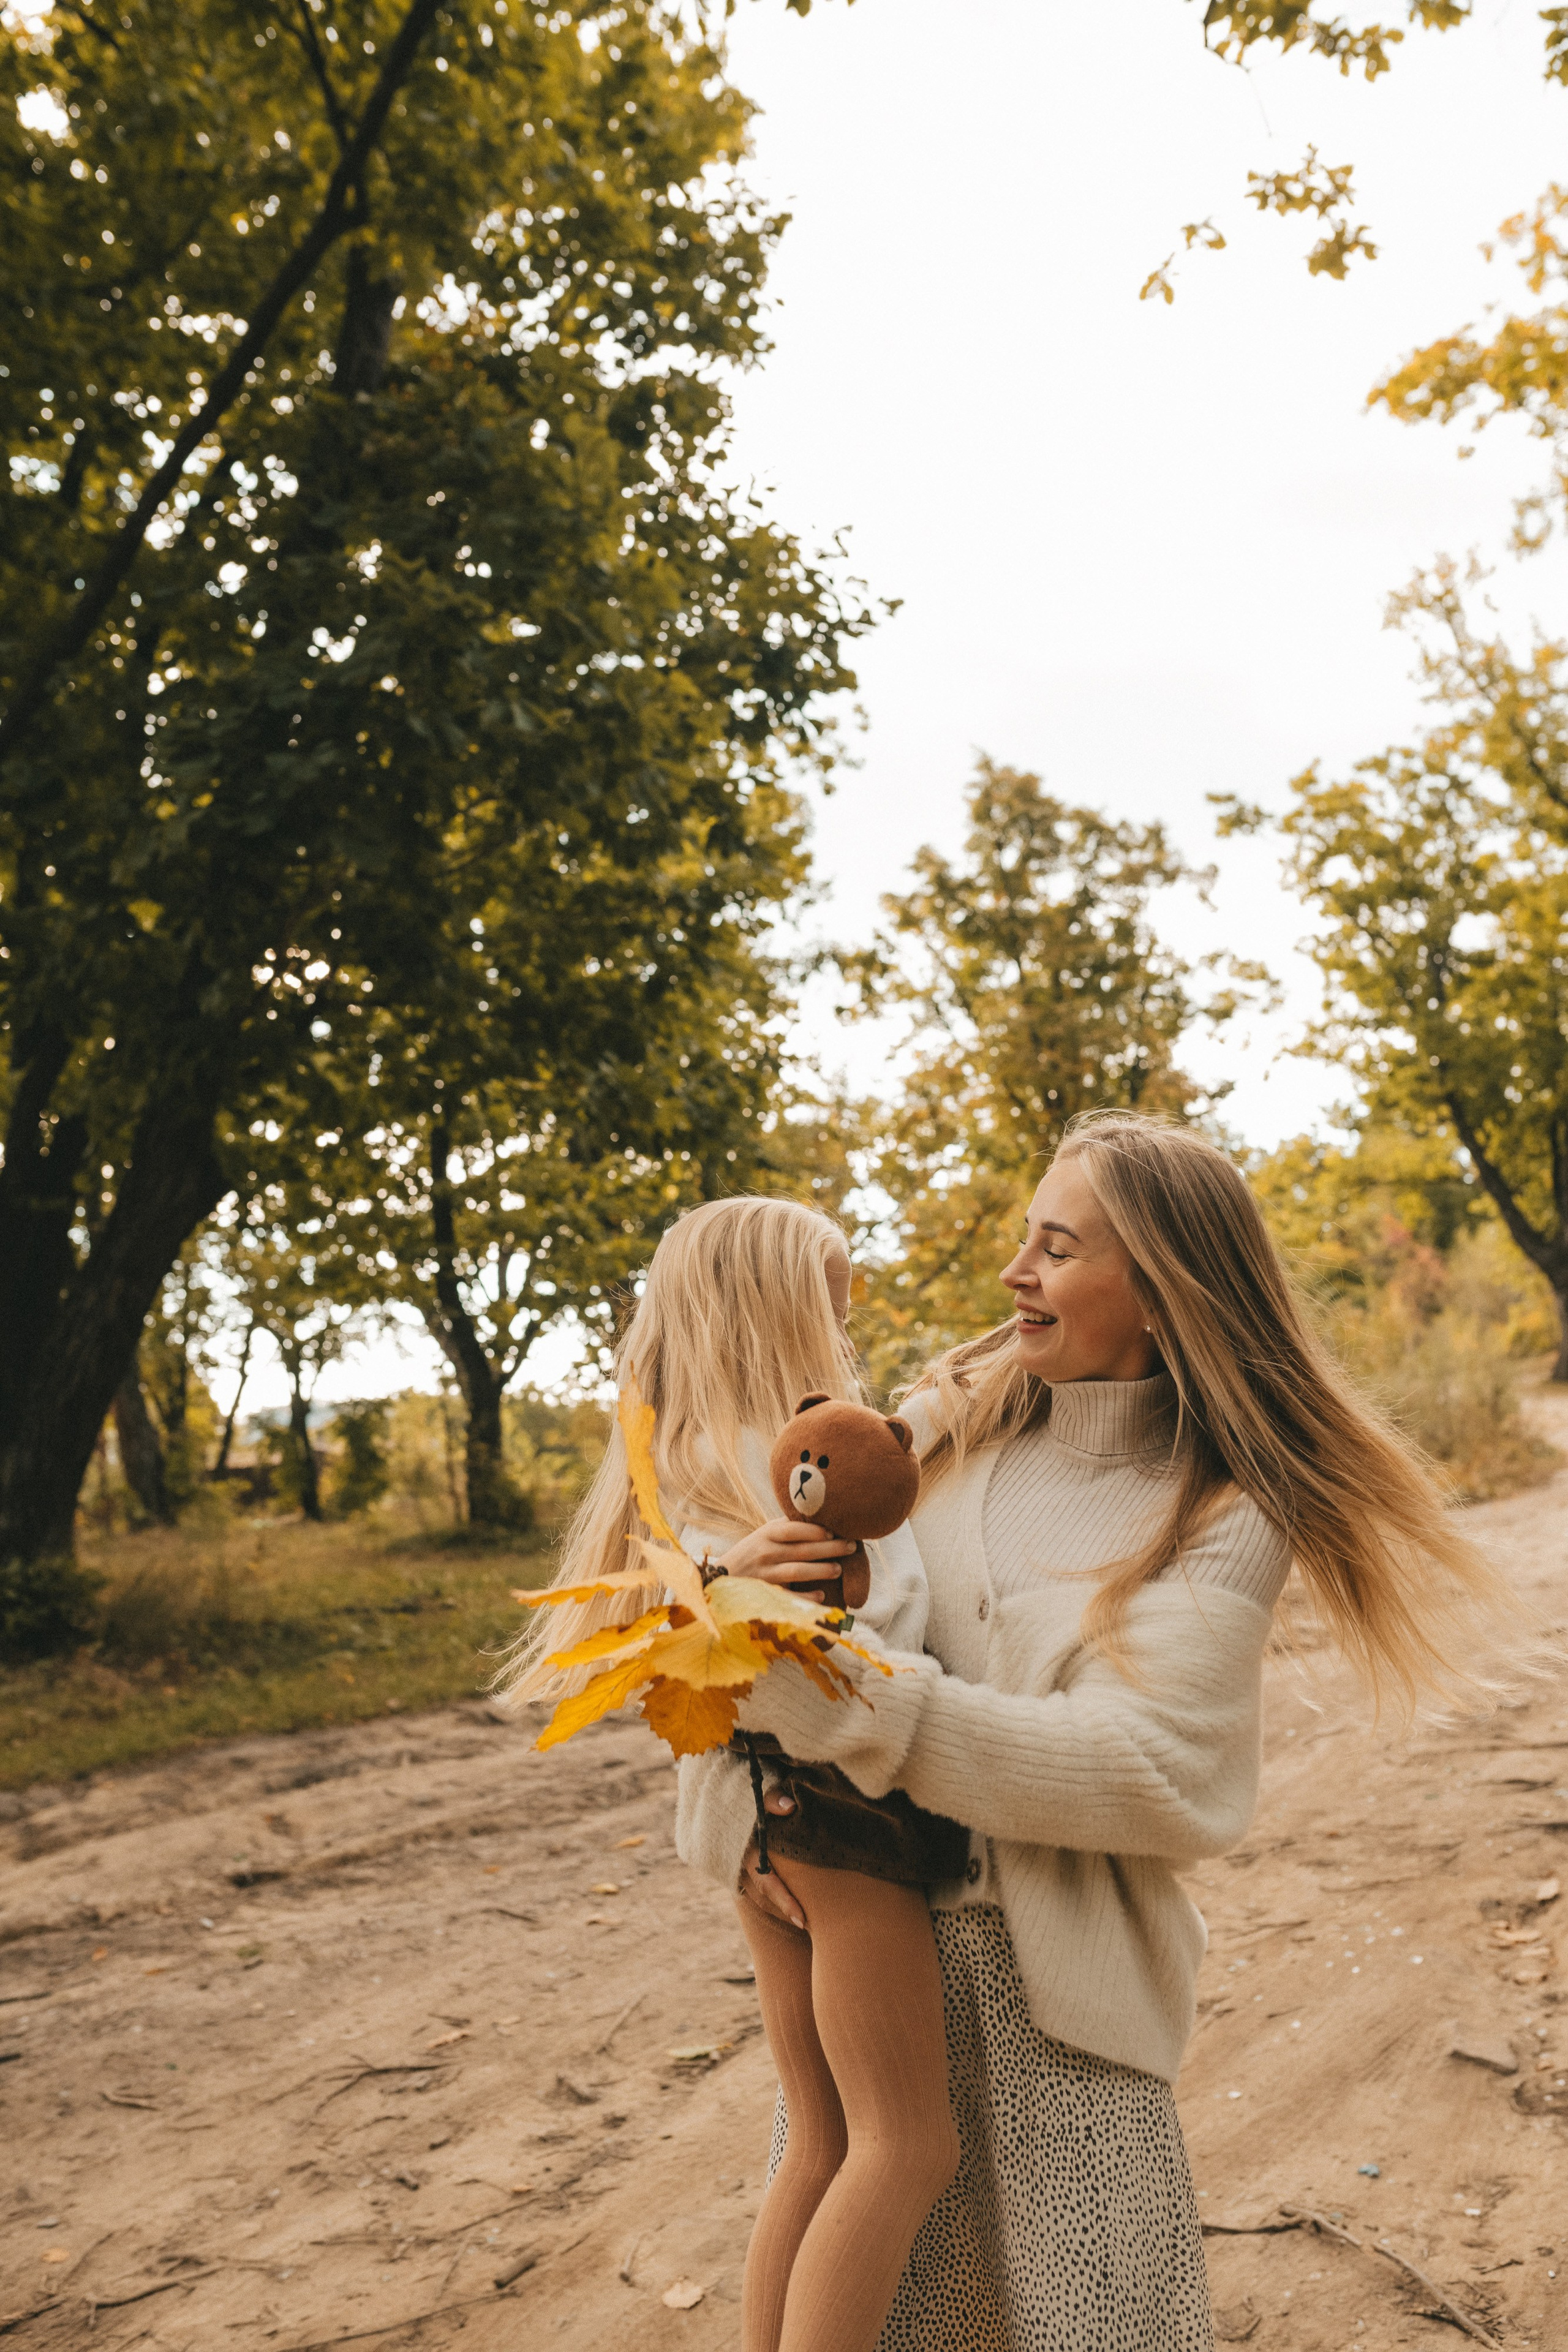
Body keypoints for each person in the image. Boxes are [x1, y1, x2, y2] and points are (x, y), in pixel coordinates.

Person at [677, 1109, 1515, 2351]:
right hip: (882, 1982)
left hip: (1058, 2035)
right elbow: (752, 1650)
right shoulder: (937, 1439)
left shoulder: (1220, 1511)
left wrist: (864, 1710)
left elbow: (1150, 1773)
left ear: (1162, 1296)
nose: (1014, 1272)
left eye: (1058, 1250)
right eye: (1027, 1237)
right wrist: (735, 1657)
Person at [493, 1196, 958, 2352]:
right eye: (831, 1313)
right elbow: (870, 1628)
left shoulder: (686, 1457)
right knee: (906, 2144)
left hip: (757, 1820)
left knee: (821, 2137)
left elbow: (678, 1640)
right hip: (843, 1820)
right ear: (776, 1315)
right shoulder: (773, 1465)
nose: (844, 1340)